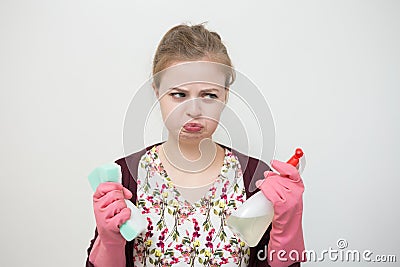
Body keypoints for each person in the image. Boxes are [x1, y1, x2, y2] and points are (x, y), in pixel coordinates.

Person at [86, 23, 306, 267]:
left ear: (225, 95)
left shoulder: (255, 179)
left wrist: (288, 230)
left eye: (209, 95)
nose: (193, 111)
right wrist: (108, 242)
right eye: (178, 94)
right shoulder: (126, 176)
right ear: (157, 91)